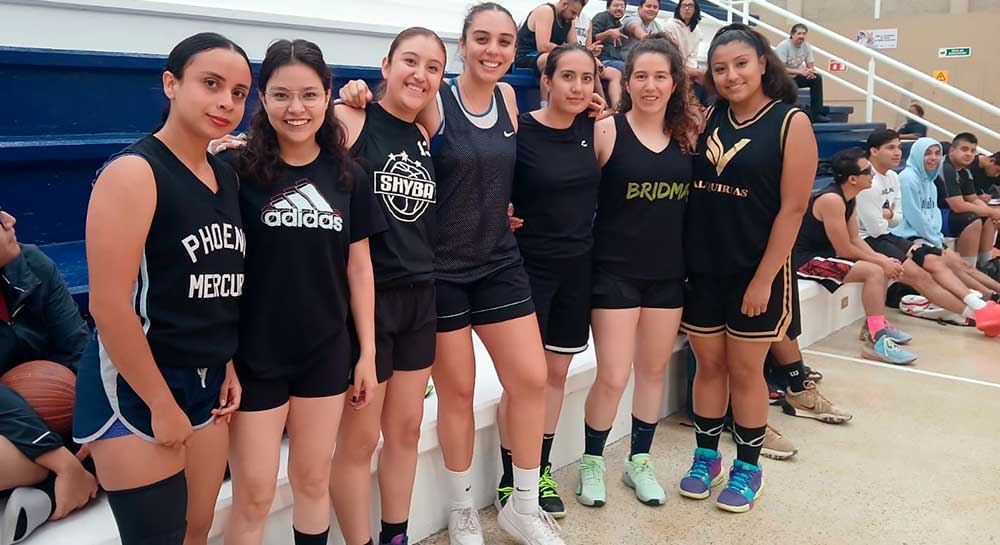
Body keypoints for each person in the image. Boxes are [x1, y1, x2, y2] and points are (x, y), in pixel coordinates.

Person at [338, 4, 581, 544]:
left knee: (531, 378)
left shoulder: (510, 98)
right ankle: (462, 509)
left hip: (498, 260)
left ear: (514, 50)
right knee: (458, 393)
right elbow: (387, 116)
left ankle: (522, 505)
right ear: (464, 45)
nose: (493, 50)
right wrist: (353, 95)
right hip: (440, 270)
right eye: (482, 39)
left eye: (504, 41)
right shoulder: (436, 100)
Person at [72, 33, 250, 545]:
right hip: (136, 385)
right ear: (171, 84)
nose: (226, 101)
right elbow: (109, 306)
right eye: (211, 84)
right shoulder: (134, 172)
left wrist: (226, 361)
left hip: (206, 380)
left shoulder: (225, 177)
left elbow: (216, 283)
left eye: (239, 92)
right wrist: (161, 403)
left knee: (198, 529)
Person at [209, 39, 381, 545]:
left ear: (328, 96)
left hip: (324, 351)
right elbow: (217, 268)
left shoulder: (349, 175)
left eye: (308, 94)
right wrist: (225, 358)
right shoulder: (235, 172)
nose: (296, 108)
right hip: (254, 355)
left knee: (312, 481)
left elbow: (360, 268)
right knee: (254, 494)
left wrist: (367, 353)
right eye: (282, 95)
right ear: (262, 98)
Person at [679, 23, 817, 513]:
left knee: (745, 371)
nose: (731, 75)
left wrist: (763, 280)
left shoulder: (790, 123)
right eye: (720, 68)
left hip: (756, 272)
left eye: (740, 64)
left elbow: (793, 210)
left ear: (762, 63)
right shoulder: (709, 117)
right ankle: (706, 458)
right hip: (704, 269)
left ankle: (748, 467)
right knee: (709, 366)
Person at [329, 28, 445, 545]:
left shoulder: (421, 133)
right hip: (366, 301)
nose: (419, 75)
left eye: (433, 67)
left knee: (406, 431)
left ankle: (395, 536)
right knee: (359, 441)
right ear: (385, 65)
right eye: (410, 61)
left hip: (420, 297)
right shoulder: (350, 119)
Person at [575, 37, 697, 509]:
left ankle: (638, 461)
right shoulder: (607, 131)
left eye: (660, 76)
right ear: (626, 83)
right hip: (614, 274)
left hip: (667, 276)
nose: (650, 86)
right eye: (641, 76)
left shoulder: (687, 137)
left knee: (652, 372)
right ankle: (592, 461)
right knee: (612, 375)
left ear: (674, 83)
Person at [505, 43, 600, 519]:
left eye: (587, 78)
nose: (577, 87)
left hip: (577, 270)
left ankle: (538, 469)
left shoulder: (593, 128)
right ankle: (510, 477)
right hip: (527, 269)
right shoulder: (519, 130)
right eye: (568, 77)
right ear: (547, 81)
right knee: (525, 379)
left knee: (556, 374)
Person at [0, 209, 96, 544]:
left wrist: (93, 425)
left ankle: (47, 493)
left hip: (49, 413)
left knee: (116, 430)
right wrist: (62, 462)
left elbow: (80, 348)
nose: (10, 220)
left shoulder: (33, 265)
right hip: (8, 424)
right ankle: (58, 483)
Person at [858, 129, 1000, 335]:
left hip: (893, 235)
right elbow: (884, 225)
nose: (897, 152)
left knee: (950, 265)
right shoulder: (898, 178)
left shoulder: (898, 178)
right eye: (891, 147)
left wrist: (889, 215)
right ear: (873, 151)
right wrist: (892, 217)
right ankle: (981, 310)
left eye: (899, 147)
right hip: (888, 236)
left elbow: (903, 216)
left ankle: (986, 305)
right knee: (931, 268)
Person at [792, 148, 917, 364]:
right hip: (804, 261)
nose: (873, 174)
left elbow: (855, 239)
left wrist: (883, 259)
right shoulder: (832, 200)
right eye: (867, 171)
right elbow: (844, 250)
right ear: (852, 179)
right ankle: (876, 339)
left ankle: (874, 326)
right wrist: (880, 261)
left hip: (825, 255)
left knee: (881, 266)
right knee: (874, 271)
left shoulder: (850, 198)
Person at [936, 133, 1000, 269]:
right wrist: (991, 211)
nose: (969, 154)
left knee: (989, 219)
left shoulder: (965, 171)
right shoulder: (946, 168)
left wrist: (992, 213)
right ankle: (969, 269)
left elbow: (974, 199)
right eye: (964, 149)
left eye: (972, 150)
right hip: (936, 213)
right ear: (952, 150)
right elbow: (958, 206)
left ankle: (986, 266)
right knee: (972, 220)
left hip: (949, 212)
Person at [514, 0, 586, 79]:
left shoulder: (570, 20)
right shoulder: (546, 11)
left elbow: (575, 46)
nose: (574, 17)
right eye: (573, 12)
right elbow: (543, 46)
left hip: (553, 54)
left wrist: (587, 53)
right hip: (526, 56)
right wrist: (568, 52)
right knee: (554, 60)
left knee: (590, 61)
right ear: (565, 4)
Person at [775, 24, 829, 123]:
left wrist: (810, 72)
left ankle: (816, 114)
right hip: (781, 79)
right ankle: (786, 115)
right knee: (789, 83)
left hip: (795, 77)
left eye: (804, 34)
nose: (801, 36)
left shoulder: (806, 47)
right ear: (792, 34)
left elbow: (811, 66)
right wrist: (800, 72)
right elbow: (780, 69)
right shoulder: (783, 46)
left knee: (816, 78)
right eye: (799, 33)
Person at [663, 0, 708, 104]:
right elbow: (671, 57)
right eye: (684, 5)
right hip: (672, 67)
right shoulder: (669, 27)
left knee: (704, 80)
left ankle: (701, 109)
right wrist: (693, 72)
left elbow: (692, 57)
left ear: (695, 10)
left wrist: (693, 72)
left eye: (690, 6)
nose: (687, 8)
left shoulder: (697, 31)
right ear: (679, 9)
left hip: (688, 69)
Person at [590, 0, 627, 108]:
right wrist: (608, 33)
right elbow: (591, 37)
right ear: (607, 7)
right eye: (616, 5)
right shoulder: (602, 17)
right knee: (627, 68)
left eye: (622, 6)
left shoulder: (620, 25)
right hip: (602, 59)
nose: (619, 8)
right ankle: (618, 107)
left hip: (615, 60)